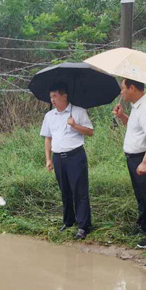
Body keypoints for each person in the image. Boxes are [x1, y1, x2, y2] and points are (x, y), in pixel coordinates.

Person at [112, 78, 146, 248]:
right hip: (134, 158)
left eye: (123, 88)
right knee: (142, 197)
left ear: (132, 87)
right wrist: (122, 117)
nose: (121, 92)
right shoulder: (137, 107)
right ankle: (145, 227)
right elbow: (136, 127)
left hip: (144, 158)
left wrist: (145, 162)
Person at [40, 82, 94, 240]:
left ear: (65, 96)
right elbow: (47, 138)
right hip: (58, 158)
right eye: (51, 97)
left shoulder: (78, 111)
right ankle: (68, 221)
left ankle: (83, 226)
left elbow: (90, 132)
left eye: (55, 96)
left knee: (80, 191)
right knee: (65, 191)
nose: (53, 100)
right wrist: (48, 159)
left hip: (75, 156)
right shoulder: (49, 116)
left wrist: (75, 125)